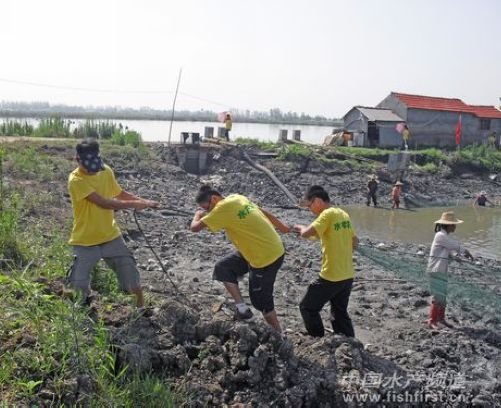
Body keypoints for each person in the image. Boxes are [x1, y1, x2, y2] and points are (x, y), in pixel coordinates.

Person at [67, 139, 159, 308]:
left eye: (95, 166)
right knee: (78, 284)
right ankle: (82, 310)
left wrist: (144, 201)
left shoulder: (106, 171)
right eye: (89, 167)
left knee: (131, 278)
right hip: (85, 241)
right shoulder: (76, 180)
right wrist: (135, 204)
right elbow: (105, 203)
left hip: (111, 237)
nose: (93, 171)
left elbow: (119, 193)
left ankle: (141, 310)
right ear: (77, 159)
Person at [190, 185, 290, 331]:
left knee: (261, 302)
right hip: (268, 249)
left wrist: (198, 215)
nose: (208, 211)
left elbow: (194, 227)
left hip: (265, 258)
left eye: (207, 208)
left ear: (214, 198)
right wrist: (282, 227)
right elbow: (261, 210)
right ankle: (242, 310)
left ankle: (279, 335)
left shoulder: (221, 209)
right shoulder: (237, 197)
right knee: (223, 268)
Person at [293, 186, 358, 338]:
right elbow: (355, 241)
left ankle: (318, 338)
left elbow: (307, 233)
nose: (310, 210)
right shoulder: (343, 214)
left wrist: (300, 228)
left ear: (318, 201)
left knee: (307, 307)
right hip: (347, 275)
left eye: (310, 205)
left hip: (331, 276)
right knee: (339, 312)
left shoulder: (327, 214)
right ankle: (350, 342)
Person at [426, 211, 473, 329]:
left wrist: (456, 257)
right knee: (438, 295)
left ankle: (441, 318)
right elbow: (454, 245)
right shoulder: (440, 235)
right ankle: (432, 321)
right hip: (435, 270)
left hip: (441, 270)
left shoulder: (445, 236)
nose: (455, 226)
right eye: (453, 224)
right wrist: (466, 252)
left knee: (443, 295)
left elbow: (448, 251)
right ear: (448, 225)